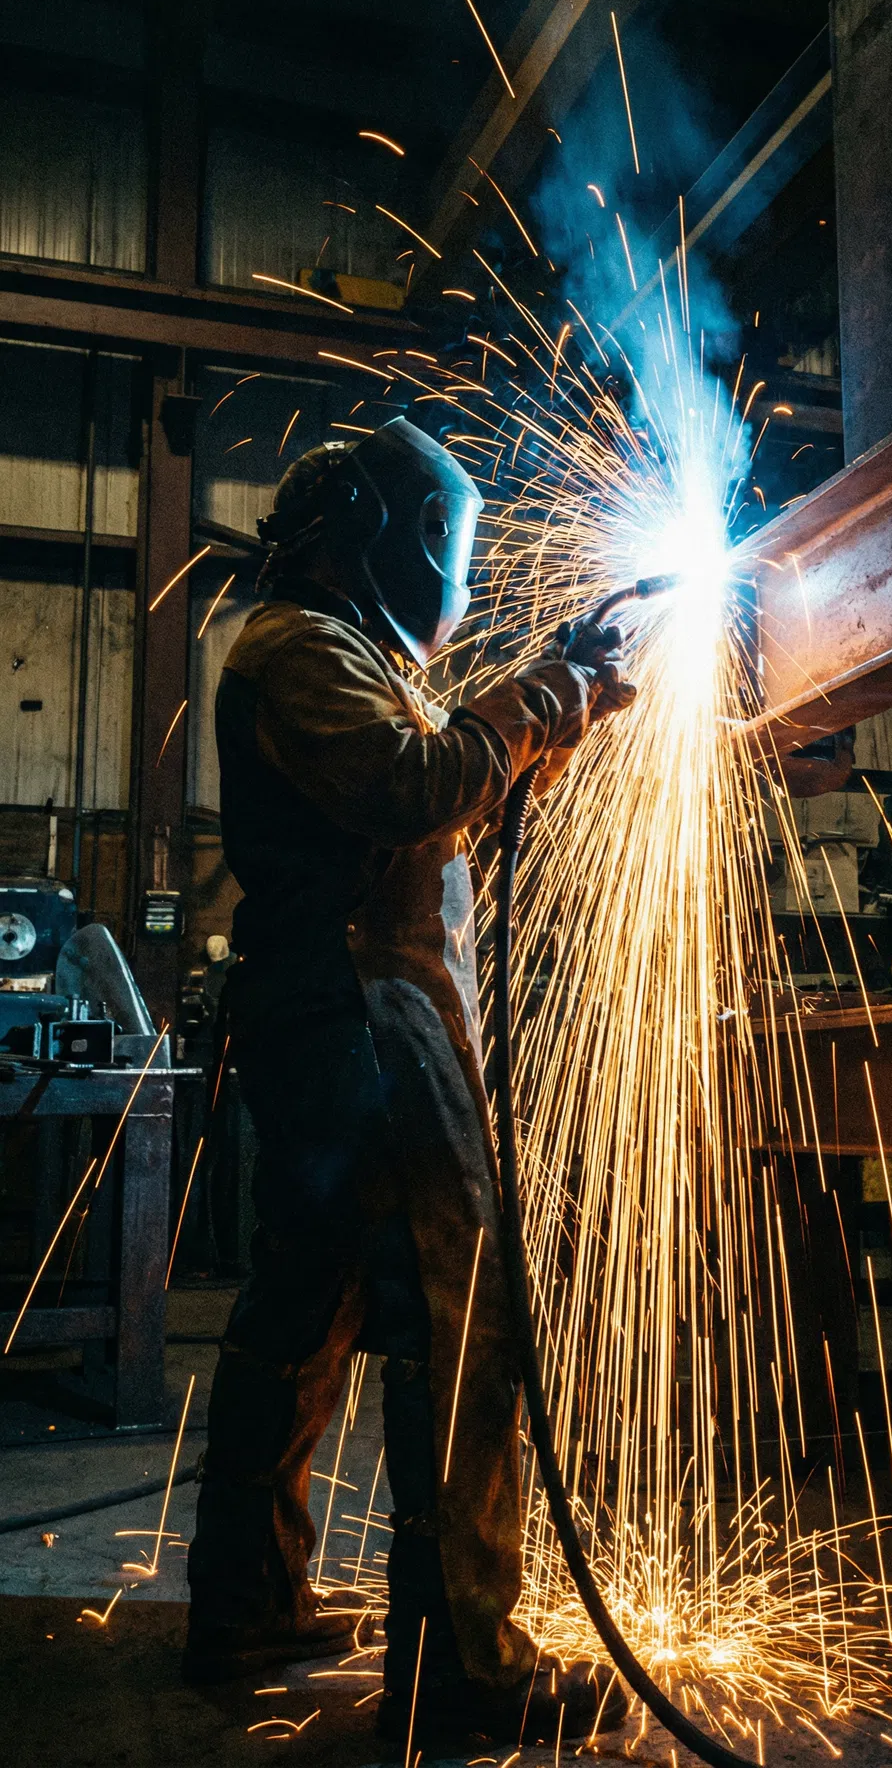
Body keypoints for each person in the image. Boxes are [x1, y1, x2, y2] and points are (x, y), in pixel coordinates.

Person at [184, 419, 635, 1745]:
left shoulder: (351, 656)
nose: (461, 569)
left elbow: (452, 795)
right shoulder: (301, 651)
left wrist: (565, 706)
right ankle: (467, 1668)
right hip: (364, 1023)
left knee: (307, 1313)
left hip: (344, 1021)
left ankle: (249, 1601)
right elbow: (407, 787)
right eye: (452, 543)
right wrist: (540, 694)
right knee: (462, 1316)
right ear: (384, 538)